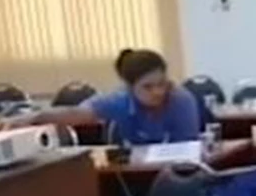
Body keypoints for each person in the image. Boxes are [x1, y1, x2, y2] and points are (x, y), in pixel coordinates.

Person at [27, 48, 202, 145]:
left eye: (162, 84)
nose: (158, 92)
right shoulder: (120, 100)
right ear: (129, 87)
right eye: (148, 87)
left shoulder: (181, 100)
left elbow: (189, 149)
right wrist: (32, 118)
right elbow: (76, 113)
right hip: (135, 173)